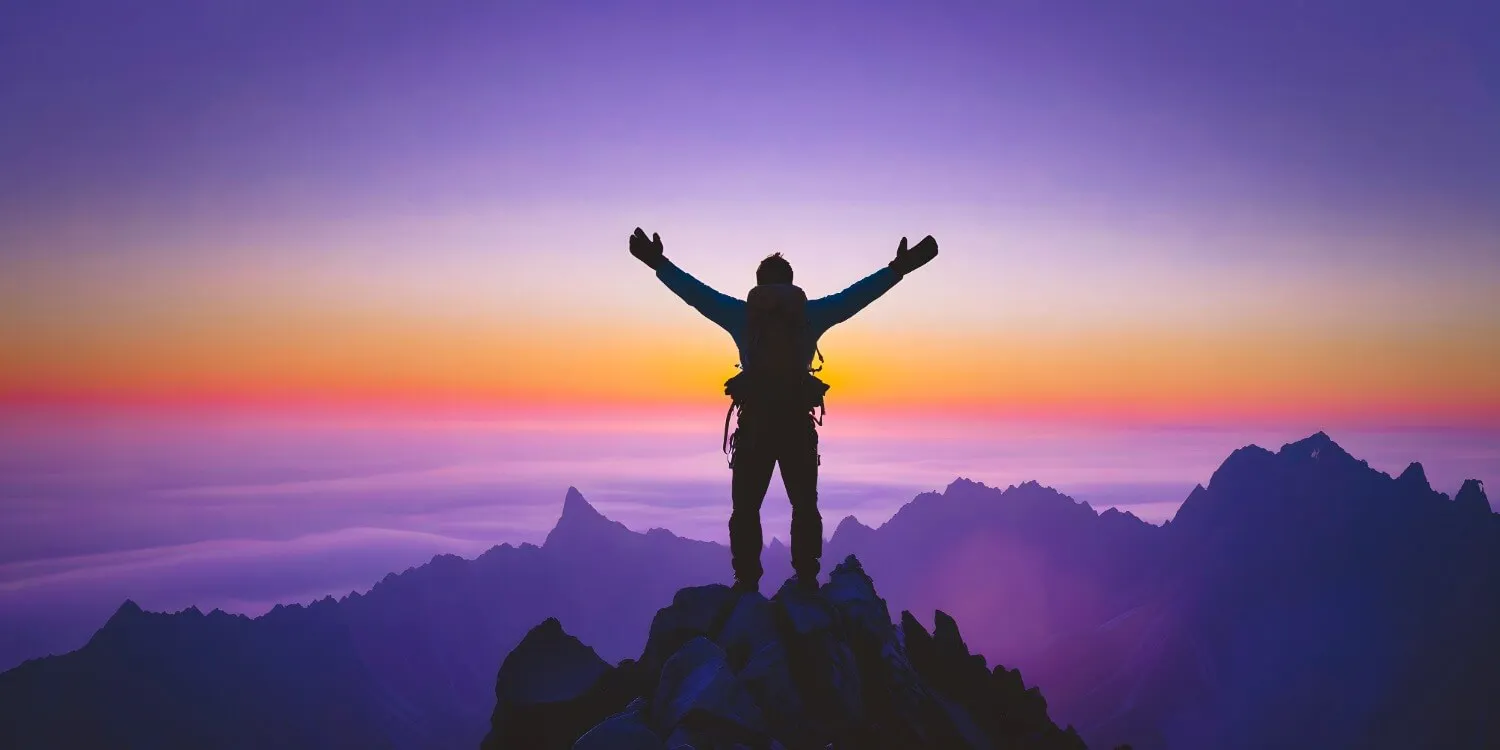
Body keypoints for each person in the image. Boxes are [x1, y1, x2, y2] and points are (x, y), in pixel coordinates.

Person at [628, 227, 939, 592]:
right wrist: (897, 269)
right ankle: (806, 579)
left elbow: (697, 295)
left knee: (746, 510)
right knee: (804, 507)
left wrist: (659, 264)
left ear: (758, 285)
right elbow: (857, 297)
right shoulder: (810, 315)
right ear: (792, 285)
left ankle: (746, 584)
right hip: (796, 426)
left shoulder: (742, 316)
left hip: (756, 428)